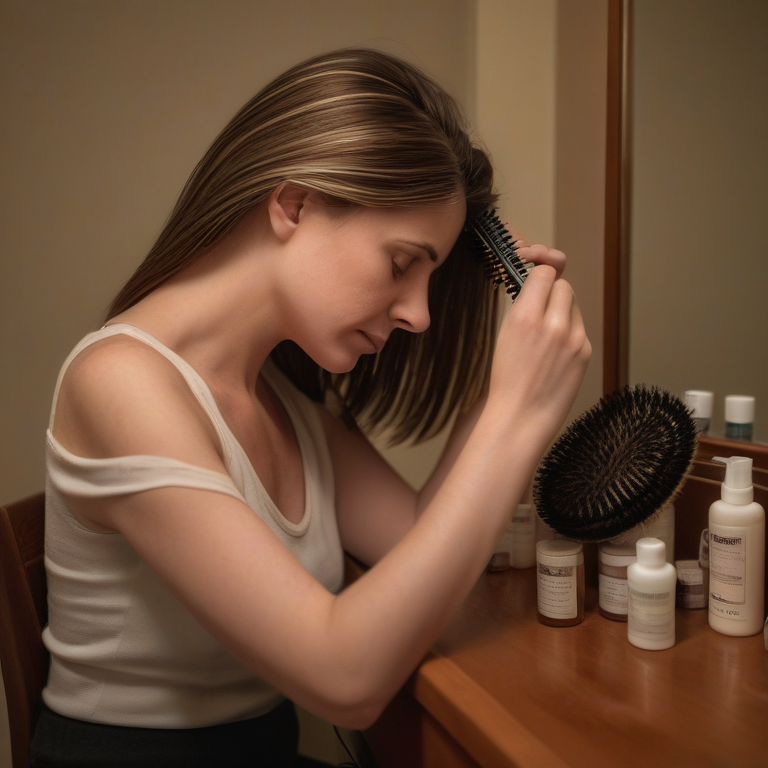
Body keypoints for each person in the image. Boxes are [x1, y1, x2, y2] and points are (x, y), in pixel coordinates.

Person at [31, 48, 591, 767]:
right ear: (294, 203)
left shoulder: (282, 399)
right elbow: (346, 680)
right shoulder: (119, 382)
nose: (420, 314)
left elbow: (417, 539)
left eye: (431, 278)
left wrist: (506, 384)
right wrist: (521, 415)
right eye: (400, 263)